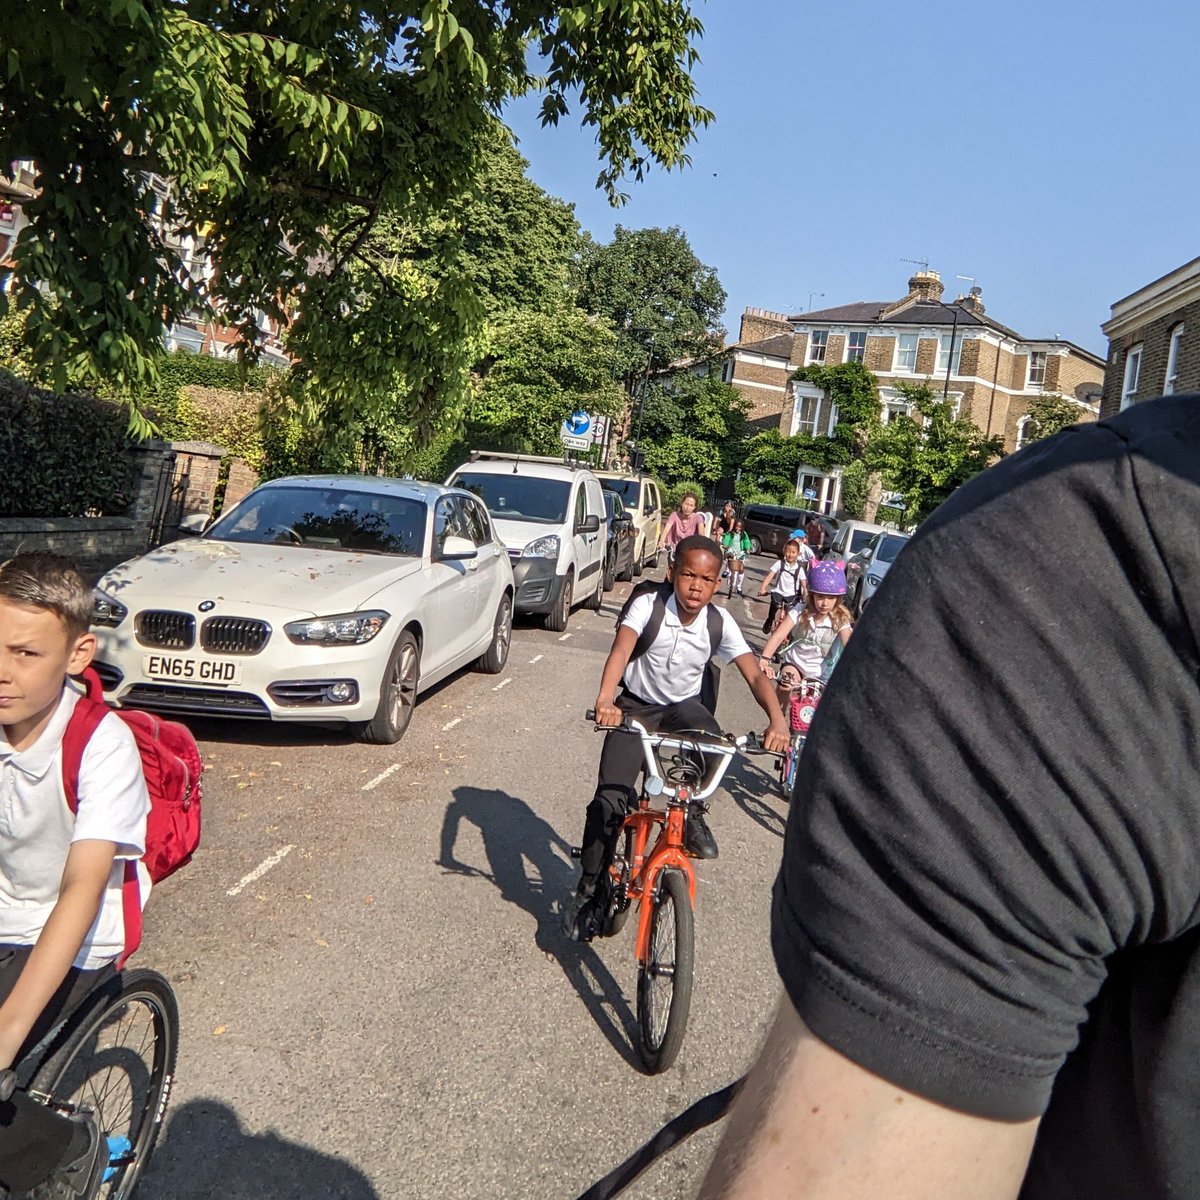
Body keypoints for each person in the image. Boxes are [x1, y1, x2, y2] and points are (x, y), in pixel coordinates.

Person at [696, 396, 1200, 1200]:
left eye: (829, 596)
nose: (826, 601)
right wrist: (777, 665)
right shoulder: (1094, 559)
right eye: (823, 595)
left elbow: (844, 637)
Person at [0, 554, 150, 1200]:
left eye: (25, 653)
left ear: (77, 653)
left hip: (76, 931)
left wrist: (5, 1036)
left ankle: (73, 1147)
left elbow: (82, 889)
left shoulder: (100, 745)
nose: (2, 671)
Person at [563, 535, 789, 940]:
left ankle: (693, 814)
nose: (696, 586)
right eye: (687, 575)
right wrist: (605, 699)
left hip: (683, 708)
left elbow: (754, 673)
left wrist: (778, 720)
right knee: (608, 801)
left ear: (718, 582)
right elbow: (620, 650)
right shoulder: (648, 605)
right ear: (672, 573)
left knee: (715, 745)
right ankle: (589, 883)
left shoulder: (719, 622)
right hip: (636, 707)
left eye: (706, 578)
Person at [756, 560, 853, 704]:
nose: (825, 603)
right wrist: (764, 659)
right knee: (785, 686)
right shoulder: (801, 610)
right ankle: (777, 721)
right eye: (820, 596)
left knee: (825, 708)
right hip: (796, 664)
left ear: (838, 598)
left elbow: (850, 644)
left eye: (831, 598)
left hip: (822, 674)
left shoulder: (840, 618)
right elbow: (779, 635)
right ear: (812, 594)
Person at [758, 537, 813, 634]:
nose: (790, 555)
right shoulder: (780, 564)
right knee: (773, 607)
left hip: (792, 595)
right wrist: (763, 588)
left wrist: (805, 595)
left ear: (798, 554)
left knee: (791, 616)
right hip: (778, 592)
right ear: (784, 552)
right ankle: (770, 620)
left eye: (793, 552)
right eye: (788, 551)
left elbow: (804, 584)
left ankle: (789, 633)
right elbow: (770, 576)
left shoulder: (799, 569)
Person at [660, 493, 706, 565]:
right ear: (682, 504)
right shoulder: (674, 515)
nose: (687, 508)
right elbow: (666, 529)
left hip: (690, 553)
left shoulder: (698, 518)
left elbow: (701, 536)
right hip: (675, 550)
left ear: (695, 507)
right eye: (686, 504)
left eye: (691, 505)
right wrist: (661, 541)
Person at [720, 520, 752, 596]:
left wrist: (747, 549)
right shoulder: (730, 533)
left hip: (740, 552)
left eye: (739, 527)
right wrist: (725, 545)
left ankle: (739, 586)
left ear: (742, 527)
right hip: (732, 550)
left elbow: (747, 541)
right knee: (729, 556)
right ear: (734, 526)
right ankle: (727, 570)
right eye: (737, 526)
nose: (738, 528)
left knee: (741, 569)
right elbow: (726, 538)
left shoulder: (744, 534)